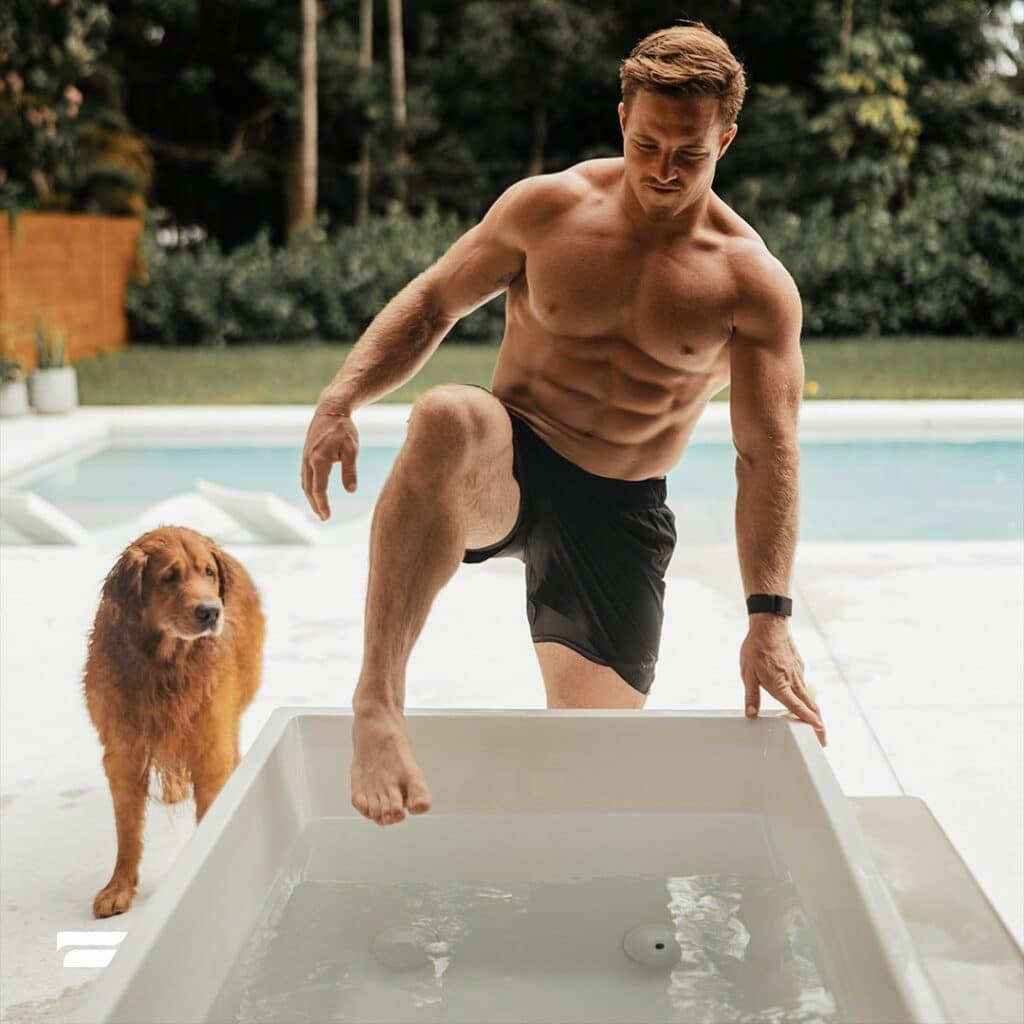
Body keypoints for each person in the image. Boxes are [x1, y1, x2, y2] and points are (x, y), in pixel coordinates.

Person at [301, 22, 827, 829]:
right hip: (509, 461)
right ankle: (378, 702)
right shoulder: (547, 209)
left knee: (594, 775)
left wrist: (769, 620)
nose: (664, 169)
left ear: (727, 136)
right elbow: (436, 299)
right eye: (649, 143)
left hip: (617, 507)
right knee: (446, 412)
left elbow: (766, 454)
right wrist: (341, 399)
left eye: (690, 152)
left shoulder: (750, 283)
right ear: (623, 119)